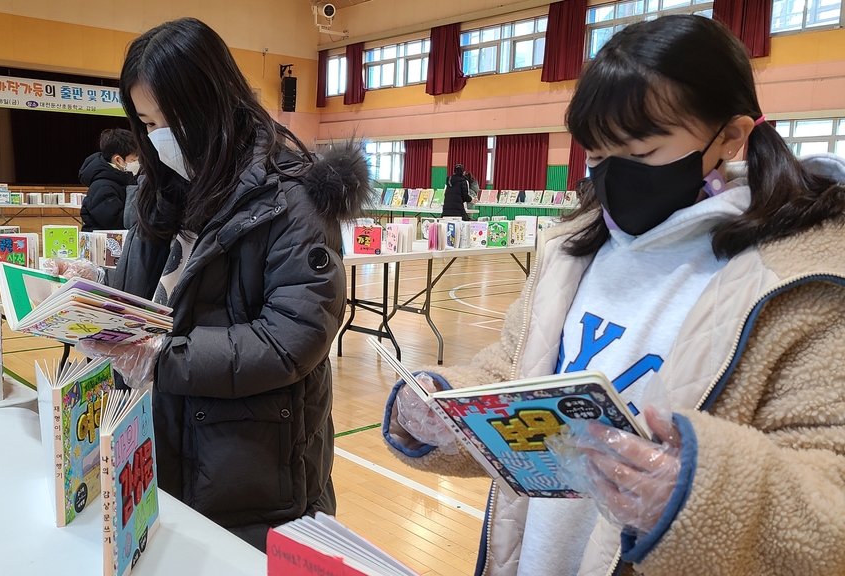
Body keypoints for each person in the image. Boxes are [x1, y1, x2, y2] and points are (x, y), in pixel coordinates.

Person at [383, 15, 845, 576]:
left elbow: (829, 504)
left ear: (730, 136)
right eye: (596, 156)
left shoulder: (802, 281)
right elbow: (514, 378)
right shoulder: (573, 251)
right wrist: (445, 405)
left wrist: (695, 494)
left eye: (641, 154)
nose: (611, 178)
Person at [44, 17, 370, 551]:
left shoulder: (295, 199)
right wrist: (96, 286)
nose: (158, 138)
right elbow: (158, 293)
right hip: (162, 440)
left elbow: (292, 339)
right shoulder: (164, 189)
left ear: (211, 103)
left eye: (166, 120)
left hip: (251, 466)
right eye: (146, 123)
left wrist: (159, 357)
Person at [79, 128, 138, 231]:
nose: (139, 163)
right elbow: (116, 222)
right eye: (134, 160)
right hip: (103, 244)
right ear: (119, 160)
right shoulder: (103, 186)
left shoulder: (121, 180)